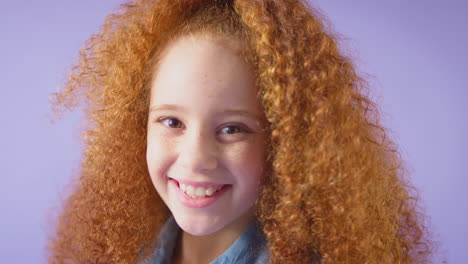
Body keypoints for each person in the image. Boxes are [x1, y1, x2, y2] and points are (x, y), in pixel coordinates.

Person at [47, 0, 434, 263]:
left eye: (232, 129)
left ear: (287, 144)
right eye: (172, 122)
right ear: (138, 125)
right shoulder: (133, 249)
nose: (196, 158)